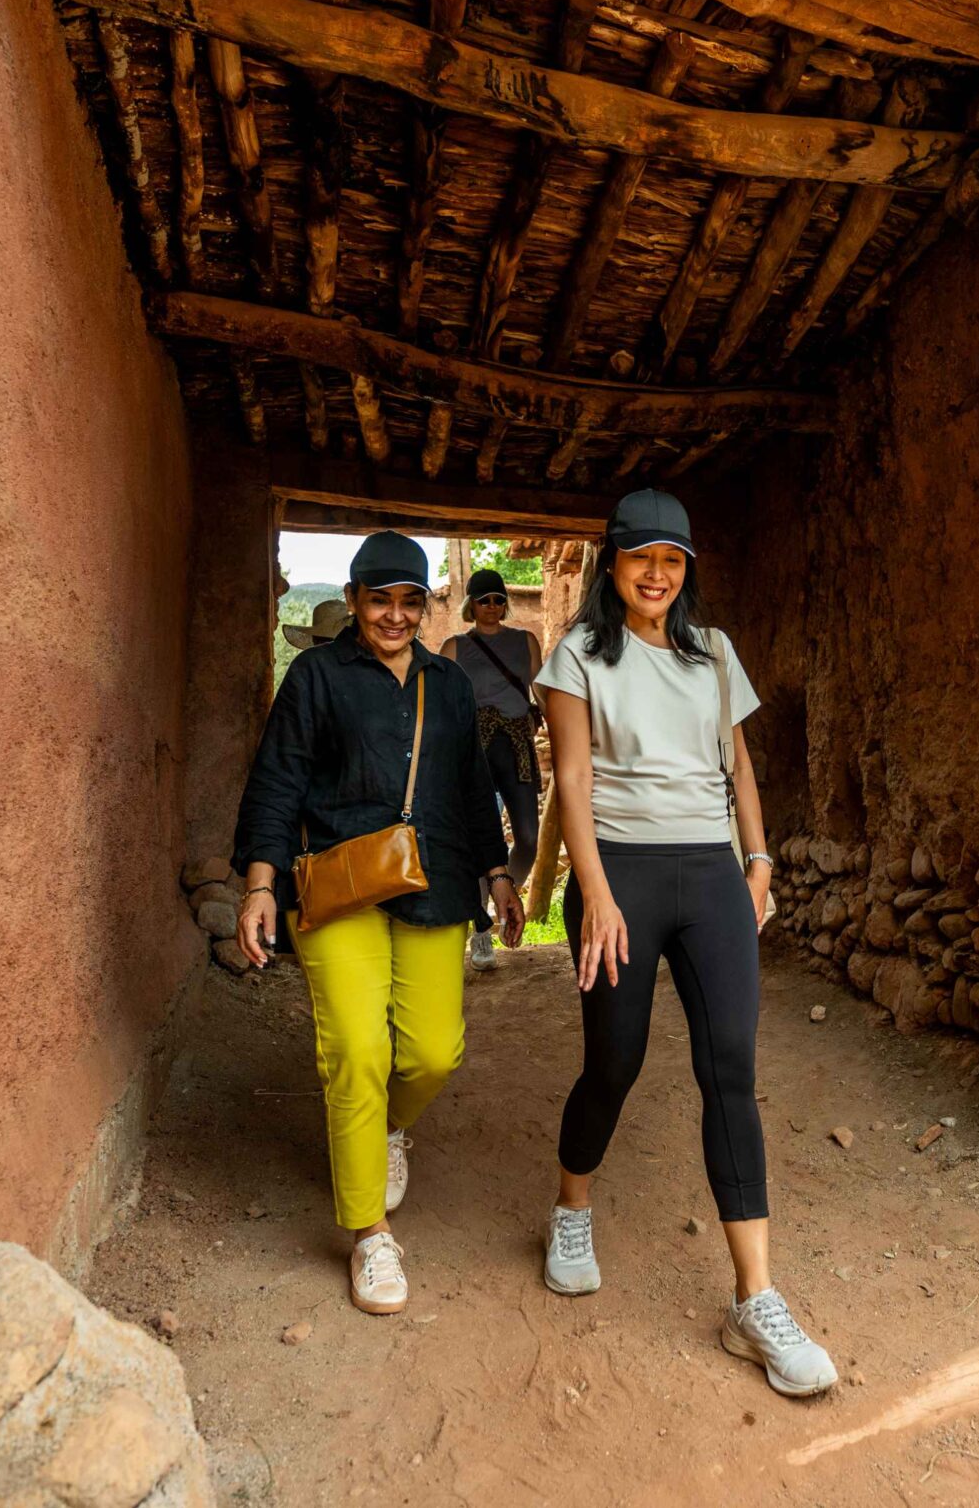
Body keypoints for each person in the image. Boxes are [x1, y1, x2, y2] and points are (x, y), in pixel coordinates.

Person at [532, 489, 838, 1398]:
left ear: (686, 568)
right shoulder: (578, 656)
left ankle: (756, 1300)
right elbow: (572, 780)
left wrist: (759, 861)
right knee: (613, 1063)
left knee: (729, 1069)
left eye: (672, 560)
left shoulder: (714, 653)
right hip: (620, 869)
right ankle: (572, 1206)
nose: (657, 574)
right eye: (641, 558)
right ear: (613, 564)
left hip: (710, 873)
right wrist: (592, 893)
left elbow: (738, 763)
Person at [231, 531, 526, 1315]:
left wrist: (498, 874)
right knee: (357, 1051)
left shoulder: (448, 683)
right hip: (339, 887)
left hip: (435, 883)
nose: (394, 615)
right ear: (354, 600)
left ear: (425, 606)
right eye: (379, 600)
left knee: (432, 1052)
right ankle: (369, 1233)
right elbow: (277, 782)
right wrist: (261, 885)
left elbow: (473, 789)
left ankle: (385, 1129)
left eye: (409, 601)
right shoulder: (315, 678)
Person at [441, 566, 544, 972]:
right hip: (475, 749)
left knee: (529, 839)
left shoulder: (525, 641)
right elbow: (441, 705)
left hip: (517, 746)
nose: (492, 606)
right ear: (471, 604)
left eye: (499, 599)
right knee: (480, 841)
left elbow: (542, 692)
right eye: (484, 599)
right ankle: (481, 928)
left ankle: (505, 900)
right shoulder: (454, 647)